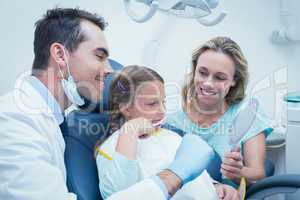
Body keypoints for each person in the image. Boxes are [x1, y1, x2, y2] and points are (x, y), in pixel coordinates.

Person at [0, 8, 226, 200]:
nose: (109, 69)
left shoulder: (50, 122)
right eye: (99, 56)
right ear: (60, 55)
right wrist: (175, 174)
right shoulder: (12, 122)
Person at [96, 65, 239, 200]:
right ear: (126, 108)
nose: (162, 110)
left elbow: (196, 178)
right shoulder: (111, 148)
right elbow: (119, 194)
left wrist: (216, 187)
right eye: (152, 104)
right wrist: (129, 133)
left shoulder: (172, 136)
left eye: (163, 102)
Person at [166, 36, 273, 187]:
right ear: (194, 70)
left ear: (234, 80)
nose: (208, 83)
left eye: (220, 77)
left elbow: (259, 176)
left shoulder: (246, 114)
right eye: (202, 73)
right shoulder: (171, 121)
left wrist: (238, 172)